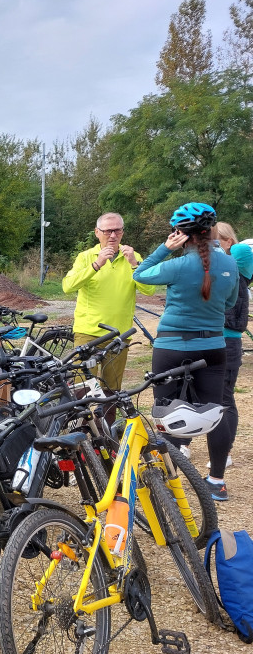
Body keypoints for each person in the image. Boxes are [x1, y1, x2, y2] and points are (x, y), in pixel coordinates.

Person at [133, 203, 239, 501]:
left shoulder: (176, 265)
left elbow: (139, 275)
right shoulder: (230, 264)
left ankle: (168, 483)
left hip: (172, 346)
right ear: (211, 231)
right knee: (215, 411)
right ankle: (216, 481)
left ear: (182, 234)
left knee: (166, 414)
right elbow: (229, 303)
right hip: (213, 347)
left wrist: (165, 248)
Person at [62, 213, 156, 400]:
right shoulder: (86, 257)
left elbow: (149, 290)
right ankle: (80, 426)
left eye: (117, 230)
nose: (113, 235)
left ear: (122, 232)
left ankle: (106, 428)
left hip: (119, 334)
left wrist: (134, 264)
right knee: (82, 385)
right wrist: (96, 265)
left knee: (112, 390)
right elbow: (68, 286)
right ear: (97, 233)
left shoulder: (133, 256)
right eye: (108, 231)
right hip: (88, 332)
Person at [214, 223, 251, 476]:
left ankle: (224, 452)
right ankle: (185, 443)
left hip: (228, 341)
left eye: (217, 242)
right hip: (209, 339)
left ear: (228, 242)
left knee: (224, 398)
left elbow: (237, 322)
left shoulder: (239, 264)